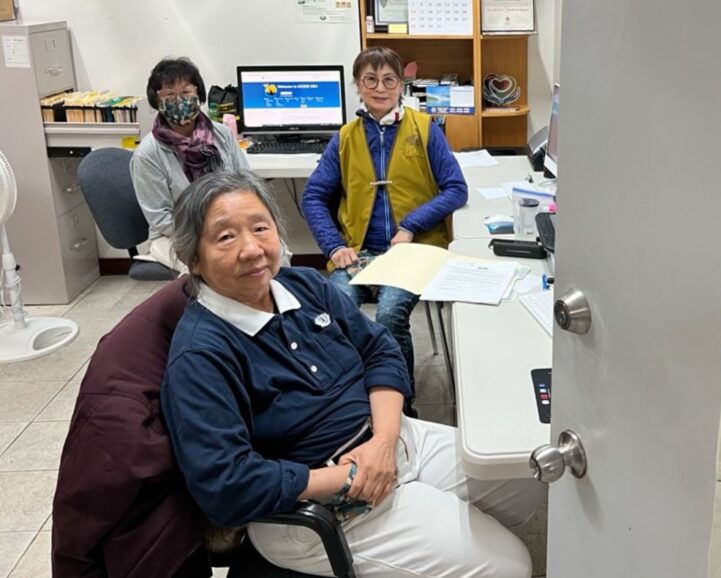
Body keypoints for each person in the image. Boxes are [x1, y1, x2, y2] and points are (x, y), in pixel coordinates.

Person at [161, 170, 543, 577]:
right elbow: (227, 486)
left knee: (531, 473)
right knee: (509, 565)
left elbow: (381, 351)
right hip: (323, 502)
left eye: (260, 227)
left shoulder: (303, 285)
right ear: (193, 259)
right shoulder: (201, 356)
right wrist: (350, 475)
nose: (252, 249)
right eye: (225, 237)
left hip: (388, 441)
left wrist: (383, 442)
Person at [302, 46, 468, 415]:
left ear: (401, 84)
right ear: (358, 85)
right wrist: (332, 247)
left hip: (416, 248)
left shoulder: (424, 129)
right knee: (338, 307)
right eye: (370, 79)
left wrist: (411, 225)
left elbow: (456, 188)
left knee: (390, 313)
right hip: (357, 251)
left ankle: (401, 403)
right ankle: (350, 398)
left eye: (389, 79)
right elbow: (313, 196)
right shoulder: (344, 137)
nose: (380, 88)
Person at [130, 57, 250, 273]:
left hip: (230, 224)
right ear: (157, 101)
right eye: (169, 95)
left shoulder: (221, 134)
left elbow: (246, 183)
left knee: (273, 251)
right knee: (212, 268)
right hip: (176, 235)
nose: (179, 100)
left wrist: (238, 226)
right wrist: (211, 233)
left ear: (198, 94)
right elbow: (160, 217)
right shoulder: (148, 154)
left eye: (185, 93)